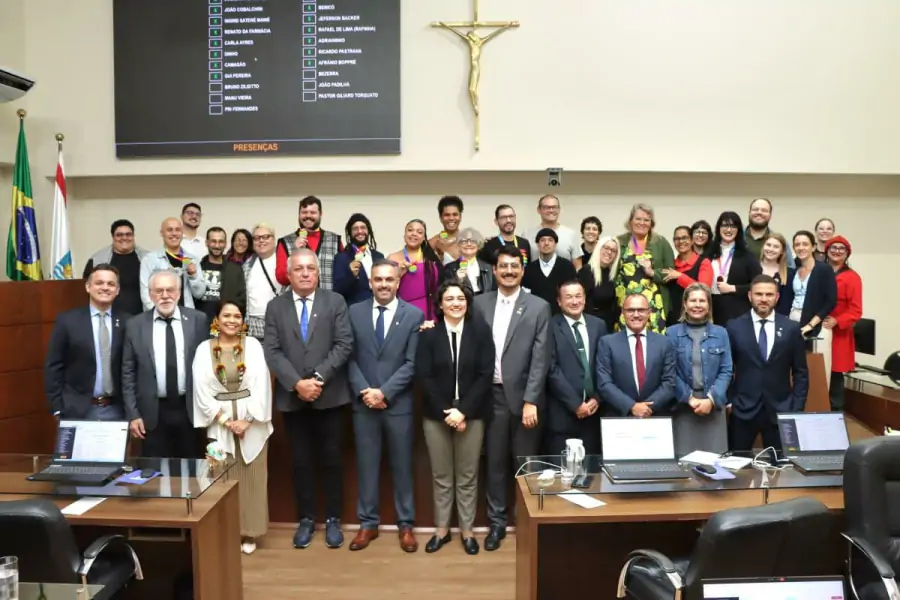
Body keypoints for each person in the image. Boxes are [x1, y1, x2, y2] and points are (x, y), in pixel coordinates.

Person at [263, 249, 353, 550]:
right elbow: (272, 351)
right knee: (300, 462)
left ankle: (332, 520)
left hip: (330, 396)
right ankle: (306, 519)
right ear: (288, 274)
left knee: (331, 460)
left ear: (318, 272)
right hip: (293, 398)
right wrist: (296, 383)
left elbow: (344, 343)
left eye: (310, 268)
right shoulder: (276, 306)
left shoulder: (335, 302)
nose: (304, 273)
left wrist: (317, 379)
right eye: (298, 269)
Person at [472, 245, 551, 551]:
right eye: (503, 266)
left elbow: (540, 358)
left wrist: (531, 400)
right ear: (494, 270)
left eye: (514, 267)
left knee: (525, 465)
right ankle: (497, 524)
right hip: (489, 397)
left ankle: (526, 524)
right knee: (494, 464)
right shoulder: (478, 304)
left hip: (523, 400)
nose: (508, 271)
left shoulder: (538, 306)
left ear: (522, 270)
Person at [346, 260, 424, 553]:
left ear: (398, 282)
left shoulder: (414, 315)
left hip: (398, 404)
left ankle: (406, 525)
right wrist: (366, 392)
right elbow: (348, 357)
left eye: (389, 279)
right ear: (369, 282)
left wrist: (384, 392)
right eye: (378, 279)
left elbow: (411, 363)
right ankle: (368, 524)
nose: (383, 284)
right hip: (363, 403)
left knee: (402, 467)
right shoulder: (353, 313)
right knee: (367, 467)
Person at [416, 280, 494, 555]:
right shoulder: (428, 336)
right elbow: (423, 377)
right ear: (440, 305)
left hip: (472, 413)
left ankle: (468, 531)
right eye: (449, 299)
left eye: (460, 298)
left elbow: (486, 376)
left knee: (468, 474)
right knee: (441, 474)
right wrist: (447, 413)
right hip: (436, 414)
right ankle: (441, 530)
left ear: (467, 302)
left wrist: (464, 411)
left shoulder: (481, 333)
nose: (455, 303)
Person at [192, 300, 272, 555]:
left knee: (252, 478)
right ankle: (225, 531)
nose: (232, 320)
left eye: (237, 316)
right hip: (220, 423)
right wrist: (226, 421)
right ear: (216, 319)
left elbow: (262, 385)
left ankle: (250, 532)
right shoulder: (205, 349)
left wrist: (248, 420)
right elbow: (201, 391)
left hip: (252, 423)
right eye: (226, 315)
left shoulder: (253, 346)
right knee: (221, 476)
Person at [121, 270, 209, 457]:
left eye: (170, 290)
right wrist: (133, 414)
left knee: (191, 472)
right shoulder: (135, 325)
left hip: (189, 410)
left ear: (178, 292)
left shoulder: (198, 320)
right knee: (154, 473)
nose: (165, 296)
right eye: (159, 291)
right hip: (152, 413)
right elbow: (128, 372)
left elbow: (207, 367)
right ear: (150, 294)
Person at [726, 275, 808, 452]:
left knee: (782, 470)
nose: (764, 299)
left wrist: (796, 407)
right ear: (750, 296)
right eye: (759, 294)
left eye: (769, 294)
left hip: (781, 410)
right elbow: (725, 368)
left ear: (777, 297)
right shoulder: (734, 327)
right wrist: (730, 401)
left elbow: (800, 372)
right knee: (738, 469)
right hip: (742, 410)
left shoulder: (791, 328)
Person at [45, 264, 127, 420]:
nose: (105, 287)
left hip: (117, 410)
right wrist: (57, 407)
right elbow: (54, 366)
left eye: (111, 284)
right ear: (88, 287)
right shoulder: (68, 321)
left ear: (117, 290)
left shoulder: (128, 322)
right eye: (99, 283)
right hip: (77, 410)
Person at [665, 284, 733, 451]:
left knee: (716, 466)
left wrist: (710, 399)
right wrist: (690, 399)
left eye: (702, 301)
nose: (697, 305)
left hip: (713, 407)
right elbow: (669, 372)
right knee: (685, 465)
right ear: (685, 305)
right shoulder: (671, 333)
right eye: (693, 300)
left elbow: (726, 370)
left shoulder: (721, 333)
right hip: (684, 408)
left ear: (709, 305)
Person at [546, 280, 607, 455]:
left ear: (585, 299)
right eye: (568, 297)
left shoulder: (598, 325)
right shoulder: (549, 325)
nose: (574, 301)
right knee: (563, 472)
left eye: (578, 296)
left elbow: (604, 365)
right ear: (559, 301)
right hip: (563, 414)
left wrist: (597, 398)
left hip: (594, 413)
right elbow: (551, 368)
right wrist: (575, 404)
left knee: (592, 474)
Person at [596, 293, 677, 417]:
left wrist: (646, 408)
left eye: (641, 310)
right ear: (623, 313)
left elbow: (669, 382)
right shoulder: (607, 343)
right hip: (619, 416)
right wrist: (631, 406)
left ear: (649, 312)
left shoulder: (664, 343)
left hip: (654, 416)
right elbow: (604, 383)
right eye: (630, 310)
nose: (636, 314)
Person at [780, 231, 837, 381]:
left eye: (805, 244)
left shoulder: (824, 269)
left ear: (813, 247)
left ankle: (819, 404)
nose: (801, 248)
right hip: (794, 320)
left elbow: (830, 301)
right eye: (797, 244)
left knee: (819, 372)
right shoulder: (793, 271)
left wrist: (811, 325)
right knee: (795, 367)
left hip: (817, 324)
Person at [614, 203, 675, 333]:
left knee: (654, 345)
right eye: (638, 219)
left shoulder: (660, 242)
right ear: (630, 221)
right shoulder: (619, 241)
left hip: (653, 305)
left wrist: (652, 272)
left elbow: (671, 273)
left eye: (646, 220)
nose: (642, 223)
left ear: (651, 223)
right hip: (625, 304)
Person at [822, 235, 862, 409]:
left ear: (847, 254)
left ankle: (835, 414)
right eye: (833, 248)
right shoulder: (820, 272)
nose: (837, 251)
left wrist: (837, 320)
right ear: (827, 251)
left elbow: (856, 310)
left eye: (841, 249)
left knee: (835, 374)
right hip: (818, 329)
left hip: (839, 333)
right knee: (818, 372)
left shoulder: (852, 277)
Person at [704, 211, 761, 326]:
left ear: (738, 230)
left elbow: (758, 284)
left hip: (736, 310)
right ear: (718, 228)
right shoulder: (709, 253)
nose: (729, 230)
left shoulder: (747, 255)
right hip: (710, 308)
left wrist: (733, 288)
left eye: (733, 226)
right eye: (725, 225)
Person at [274, 196, 344, 290]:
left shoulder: (335, 240)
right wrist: (294, 253)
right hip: (296, 302)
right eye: (304, 212)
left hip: (328, 302)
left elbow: (343, 276)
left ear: (320, 214)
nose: (308, 216)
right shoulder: (285, 242)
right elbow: (281, 278)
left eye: (313, 212)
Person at [83, 219, 148, 317]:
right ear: (113, 237)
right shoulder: (96, 260)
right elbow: (88, 290)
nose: (124, 238)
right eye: (119, 235)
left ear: (133, 236)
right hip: (108, 318)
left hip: (142, 317)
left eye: (128, 234)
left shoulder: (148, 259)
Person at [139, 217, 207, 310]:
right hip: (158, 316)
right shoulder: (150, 260)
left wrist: (193, 276)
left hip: (185, 316)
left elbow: (199, 294)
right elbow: (145, 294)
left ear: (182, 233)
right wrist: (158, 314)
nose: (174, 233)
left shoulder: (190, 259)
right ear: (162, 233)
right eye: (169, 230)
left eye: (178, 230)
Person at [388, 219, 441, 321]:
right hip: (403, 311)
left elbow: (438, 286)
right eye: (410, 230)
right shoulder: (392, 257)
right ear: (404, 235)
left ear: (424, 238)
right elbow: (386, 287)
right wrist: (398, 274)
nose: (414, 234)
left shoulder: (431, 258)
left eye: (419, 232)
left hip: (430, 310)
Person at [662, 225, 714, 322]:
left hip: (696, 317)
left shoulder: (703, 262)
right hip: (672, 319)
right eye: (677, 239)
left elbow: (704, 290)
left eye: (684, 238)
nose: (681, 241)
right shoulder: (671, 265)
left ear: (692, 240)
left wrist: (680, 276)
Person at [195, 227, 246, 321]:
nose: (217, 245)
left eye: (221, 241)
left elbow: (242, 301)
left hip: (227, 324)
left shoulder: (235, 269)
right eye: (213, 241)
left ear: (225, 244)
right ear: (207, 243)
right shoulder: (197, 268)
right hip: (200, 324)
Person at [333, 213, 384, 306]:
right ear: (350, 233)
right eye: (355, 229)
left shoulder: (379, 256)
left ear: (368, 230)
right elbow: (338, 291)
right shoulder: (341, 258)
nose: (360, 231)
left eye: (363, 227)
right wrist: (351, 275)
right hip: (355, 312)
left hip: (379, 309)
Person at [522, 228, 577, 314]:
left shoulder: (567, 266)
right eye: (542, 240)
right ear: (537, 245)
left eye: (550, 240)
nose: (546, 243)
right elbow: (526, 296)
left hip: (562, 316)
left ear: (555, 244)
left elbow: (573, 292)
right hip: (536, 316)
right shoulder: (529, 269)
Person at [242, 223, 280, 339]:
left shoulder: (285, 262)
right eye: (257, 238)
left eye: (266, 237)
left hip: (279, 324)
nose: (261, 241)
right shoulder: (247, 265)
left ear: (274, 239)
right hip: (253, 325)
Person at [577, 235, 620, 331]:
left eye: (613, 251)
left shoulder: (612, 275)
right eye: (606, 248)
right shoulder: (587, 271)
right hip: (590, 326)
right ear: (598, 248)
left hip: (608, 326)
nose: (609, 252)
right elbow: (580, 302)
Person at [440, 227, 496, 295]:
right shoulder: (449, 268)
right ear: (459, 245)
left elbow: (494, 291)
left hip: (484, 302)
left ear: (478, 245)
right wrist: (457, 279)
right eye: (464, 241)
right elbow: (445, 292)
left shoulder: (488, 267)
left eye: (473, 241)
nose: (469, 244)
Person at [524, 194, 580, 262]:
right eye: (547, 207)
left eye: (554, 207)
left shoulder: (571, 235)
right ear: (539, 210)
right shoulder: (527, 235)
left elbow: (578, 267)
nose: (551, 210)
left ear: (559, 209)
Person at [428, 195, 464, 265]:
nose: (451, 218)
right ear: (440, 218)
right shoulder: (432, 243)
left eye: (455, 214)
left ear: (460, 217)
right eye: (447, 215)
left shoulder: (470, 241)